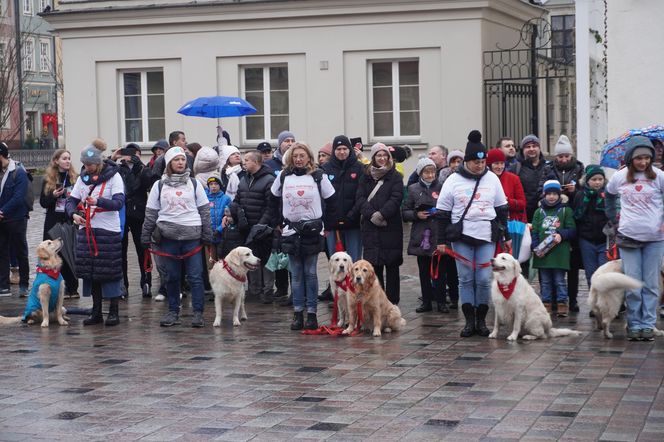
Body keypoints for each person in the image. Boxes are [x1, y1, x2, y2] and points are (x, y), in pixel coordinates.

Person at [436, 130, 510, 337]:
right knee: (466, 279)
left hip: (486, 234)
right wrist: (441, 241)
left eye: (482, 162)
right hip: (462, 236)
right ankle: (469, 321)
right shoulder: (453, 180)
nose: (480, 166)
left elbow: (502, 209)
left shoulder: (492, 179)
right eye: (476, 162)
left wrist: (507, 237)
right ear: (467, 161)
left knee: (484, 279)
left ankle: (482, 320)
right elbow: (442, 213)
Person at [141, 146, 212, 328]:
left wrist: (207, 235)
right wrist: (145, 235)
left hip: (192, 238)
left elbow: (204, 211)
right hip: (168, 237)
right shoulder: (159, 185)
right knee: (171, 277)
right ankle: (173, 311)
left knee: (195, 277)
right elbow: (151, 213)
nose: (180, 163)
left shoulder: (194, 184)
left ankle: (198, 313)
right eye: (176, 160)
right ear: (169, 164)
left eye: (182, 159)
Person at [271, 142, 335, 330]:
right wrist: (277, 223)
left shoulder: (318, 176)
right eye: (295, 156)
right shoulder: (284, 176)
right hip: (291, 231)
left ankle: (312, 314)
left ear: (308, 157)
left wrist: (327, 225)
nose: (298, 159)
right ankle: (298, 313)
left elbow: (331, 200)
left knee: (311, 273)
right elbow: (273, 198)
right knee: (297, 275)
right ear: (291, 158)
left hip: (313, 231)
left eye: (302, 156)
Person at [606, 136, 664, 341]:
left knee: (651, 284)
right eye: (639, 158)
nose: (643, 162)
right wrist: (613, 219)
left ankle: (647, 324)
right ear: (631, 158)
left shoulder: (659, 177)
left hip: (655, 238)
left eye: (647, 158)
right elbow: (610, 195)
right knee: (632, 283)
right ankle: (634, 324)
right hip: (629, 236)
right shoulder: (619, 177)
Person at [65, 145, 125, 326]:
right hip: (87, 230)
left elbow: (119, 203)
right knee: (90, 271)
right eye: (85, 163)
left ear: (98, 162)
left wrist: (99, 201)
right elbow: (72, 200)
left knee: (110, 271)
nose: (87, 167)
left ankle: (113, 311)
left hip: (108, 230)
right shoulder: (83, 179)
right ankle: (96, 311)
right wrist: (73, 214)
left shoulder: (114, 177)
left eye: (90, 164)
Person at [538, 135, 585, 312]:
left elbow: (586, 193)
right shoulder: (547, 168)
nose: (563, 159)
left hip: (572, 219)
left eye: (566, 156)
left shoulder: (580, 168)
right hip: (550, 219)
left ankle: (571, 299)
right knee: (547, 258)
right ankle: (549, 299)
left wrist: (575, 191)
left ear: (571, 156)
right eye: (560, 156)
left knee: (571, 264)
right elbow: (540, 189)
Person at [357, 143, 404, 305]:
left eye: (385, 155)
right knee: (374, 267)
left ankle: (392, 303)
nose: (382, 158)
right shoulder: (365, 175)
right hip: (370, 227)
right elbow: (360, 198)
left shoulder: (396, 176)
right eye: (379, 155)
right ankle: (376, 301)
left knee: (391, 267)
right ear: (374, 158)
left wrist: (382, 214)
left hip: (390, 227)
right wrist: (371, 215)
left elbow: (396, 198)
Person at [227, 150, 276, 303]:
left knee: (266, 259)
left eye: (247, 160)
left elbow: (271, 206)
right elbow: (237, 199)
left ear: (256, 162)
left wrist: (261, 224)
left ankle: (268, 292)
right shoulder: (243, 179)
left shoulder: (269, 180)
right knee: (250, 258)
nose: (244, 162)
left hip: (263, 228)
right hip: (246, 227)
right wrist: (232, 211)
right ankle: (254, 290)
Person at [403, 157, 447, 313]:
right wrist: (416, 215)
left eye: (432, 171)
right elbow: (405, 211)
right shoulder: (413, 188)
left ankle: (442, 301)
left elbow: (448, 207)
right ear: (420, 173)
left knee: (440, 270)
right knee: (423, 271)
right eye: (426, 172)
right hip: (421, 236)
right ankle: (426, 301)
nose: (430, 175)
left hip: (438, 234)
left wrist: (439, 212)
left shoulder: (442, 187)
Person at [113, 144, 154, 299]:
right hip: (122, 213)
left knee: (142, 248)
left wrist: (138, 164)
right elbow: (102, 173)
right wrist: (113, 158)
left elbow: (144, 184)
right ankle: (122, 284)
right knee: (121, 250)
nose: (130, 156)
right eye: (127, 152)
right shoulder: (118, 169)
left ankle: (146, 281)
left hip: (139, 213)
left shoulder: (142, 169)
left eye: (134, 153)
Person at [531, 180, 576, 317]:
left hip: (559, 253)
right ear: (544, 195)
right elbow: (535, 231)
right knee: (544, 281)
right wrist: (535, 246)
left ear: (559, 195)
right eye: (549, 194)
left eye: (555, 194)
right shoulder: (539, 212)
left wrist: (561, 234)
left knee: (559, 280)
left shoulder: (565, 210)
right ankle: (546, 303)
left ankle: (562, 303)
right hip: (543, 253)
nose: (551, 197)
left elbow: (572, 230)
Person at [40, 148, 79, 298]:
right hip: (53, 221)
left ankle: (72, 288)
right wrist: (54, 196)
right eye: (64, 158)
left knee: (70, 253)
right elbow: (43, 203)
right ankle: (54, 287)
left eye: (69, 158)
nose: (67, 161)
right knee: (53, 255)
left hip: (69, 219)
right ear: (56, 161)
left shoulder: (74, 178)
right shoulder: (49, 179)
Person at [322, 135, 364, 262]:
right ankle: (336, 283)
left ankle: (354, 283)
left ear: (350, 150)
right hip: (332, 224)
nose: (341, 152)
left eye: (345, 148)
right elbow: (323, 198)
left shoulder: (359, 168)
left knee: (354, 261)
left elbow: (361, 196)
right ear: (334, 150)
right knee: (335, 261)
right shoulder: (325, 168)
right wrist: (330, 218)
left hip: (353, 223)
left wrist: (351, 215)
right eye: (338, 148)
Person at [266, 130, 295, 305]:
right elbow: (271, 195)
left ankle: (295, 290)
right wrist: (274, 220)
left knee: (291, 254)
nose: (290, 143)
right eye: (286, 141)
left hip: (293, 215)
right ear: (280, 144)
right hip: (278, 215)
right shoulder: (270, 164)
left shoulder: (300, 165)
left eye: (292, 140)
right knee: (278, 252)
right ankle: (281, 287)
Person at [0, 142, 30, 297]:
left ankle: (24, 284)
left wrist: (2, 211)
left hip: (16, 218)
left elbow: (18, 197)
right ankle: (3, 285)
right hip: (1, 219)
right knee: (2, 251)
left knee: (20, 251)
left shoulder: (18, 172)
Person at [573, 165, 609, 292]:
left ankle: (605, 303)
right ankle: (594, 305)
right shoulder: (580, 195)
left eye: (600, 179)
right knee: (591, 273)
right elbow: (576, 217)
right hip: (586, 240)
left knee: (604, 274)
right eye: (594, 179)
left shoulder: (608, 195)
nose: (597, 182)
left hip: (604, 240)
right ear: (587, 180)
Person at [486, 148, 527, 256]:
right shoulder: (484, 180)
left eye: (502, 163)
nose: (499, 167)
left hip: (509, 227)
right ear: (489, 164)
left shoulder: (513, 179)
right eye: (496, 163)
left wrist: (507, 201)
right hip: (489, 227)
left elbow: (522, 203)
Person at [509, 134, 549, 222]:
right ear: (523, 150)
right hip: (522, 217)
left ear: (539, 148)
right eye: (528, 146)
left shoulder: (549, 167)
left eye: (534, 146)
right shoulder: (515, 168)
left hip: (545, 215)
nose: (531, 149)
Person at [206, 174, 231, 263]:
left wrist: (219, 229)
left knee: (222, 260)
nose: (213, 186)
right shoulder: (204, 198)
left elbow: (228, 216)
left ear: (220, 185)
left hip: (222, 235)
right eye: (211, 184)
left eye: (216, 184)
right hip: (209, 235)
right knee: (211, 261)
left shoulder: (226, 199)